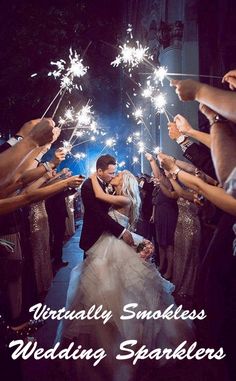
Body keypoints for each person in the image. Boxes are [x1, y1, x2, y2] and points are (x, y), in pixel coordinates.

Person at [56, 169, 194, 381]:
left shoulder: (123, 198)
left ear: (125, 181)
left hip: (114, 246)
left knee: (117, 296)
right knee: (106, 295)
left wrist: (94, 176)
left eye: (118, 174)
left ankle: (120, 351)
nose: (115, 175)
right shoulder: (118, 195)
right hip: (109, 244)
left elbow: (100, 200)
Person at [79, 154, 134, 256]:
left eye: (115, 173)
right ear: (99, 171)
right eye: (111, 173)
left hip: (108, 237)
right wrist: (122, 231)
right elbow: (98, 214)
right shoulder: (88, 185)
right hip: (93, 237)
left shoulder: (109, 184)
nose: (113, 176)